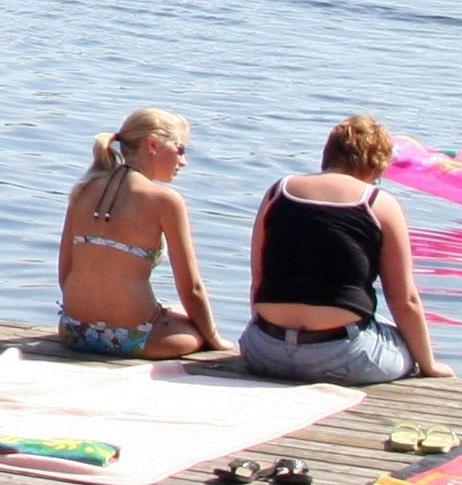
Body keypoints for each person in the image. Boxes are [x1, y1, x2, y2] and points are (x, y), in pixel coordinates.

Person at [242, 112, 450, 385]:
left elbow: (259, 280)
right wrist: (429, 364)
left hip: (264, 350)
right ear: (377, 163)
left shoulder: (278, 191)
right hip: (342, 356)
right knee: (403, 342)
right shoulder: (379, 203)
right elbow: (404, 299)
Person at [55, 107, 220, 357]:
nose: (184, 161)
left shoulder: (83, 189)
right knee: (192, 326)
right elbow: (192, 288)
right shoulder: (165, 201)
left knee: (176, 310)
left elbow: (65, 272)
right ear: (152, 145)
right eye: (180, 149)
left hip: (74, 331)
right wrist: (215, 340)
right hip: (134, 339)